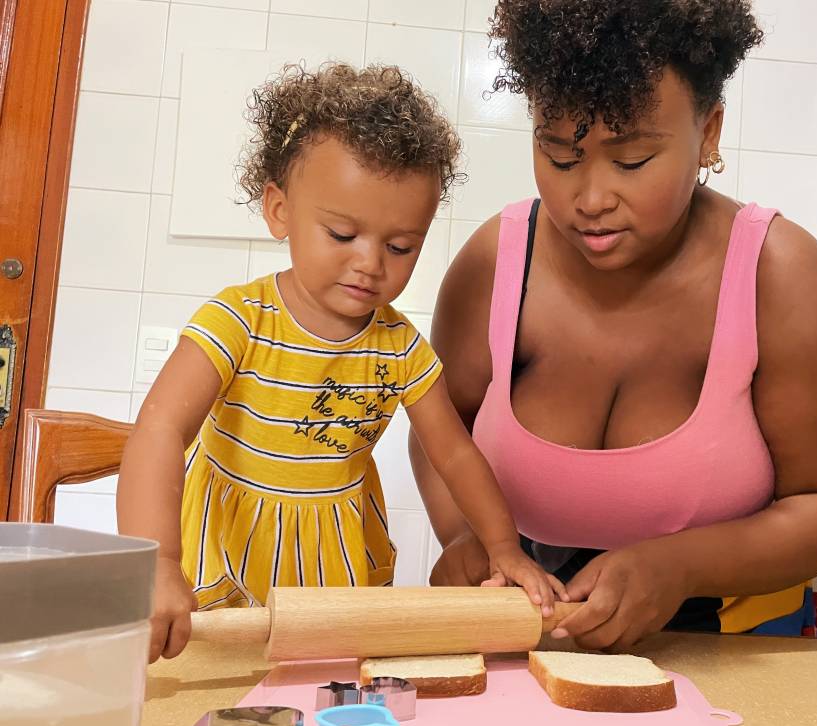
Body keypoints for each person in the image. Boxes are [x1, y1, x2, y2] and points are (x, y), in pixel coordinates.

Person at [411, 0, 817, 650]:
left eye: (631, 160)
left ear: (709, 132)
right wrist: (467, 539)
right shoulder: (496, 263)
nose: (591, 198)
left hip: (729, 641)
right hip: (529, 634)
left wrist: (679, 566)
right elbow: (438, 431)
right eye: (559, 154)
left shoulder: (780, 275)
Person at [118, 62, 566, 664]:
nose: (370, 263)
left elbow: (454, 452)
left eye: (400, 246)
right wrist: (156, 562)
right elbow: (160, 429)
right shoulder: (239, 321)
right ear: (279, 210)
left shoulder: (399, 347)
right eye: (341, 234)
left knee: (321, 679)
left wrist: (504, 548)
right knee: (219, 673)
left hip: (334, 547)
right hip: (227, 540)